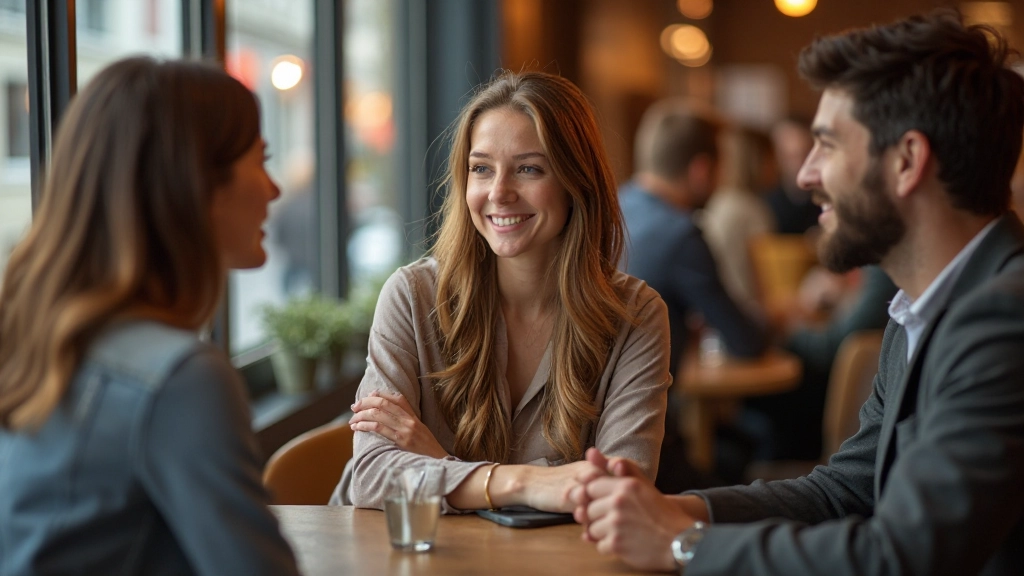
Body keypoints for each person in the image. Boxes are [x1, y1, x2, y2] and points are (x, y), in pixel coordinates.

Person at [572, 10, 1024, 574]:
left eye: (827, 145)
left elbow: (905, 557)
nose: (805, 175)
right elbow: (843, 492)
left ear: (907, 161)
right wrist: (672, 509)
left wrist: (679, 545)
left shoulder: (1004, 317)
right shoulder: (917, 310)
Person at [0, 58, 298, 574]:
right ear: (198, 184)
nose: (273, 190)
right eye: (261, 160)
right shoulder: (180, 378)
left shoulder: (38, 338)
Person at [330, 71, 671, 513]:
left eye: (529, 169)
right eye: (481, 169)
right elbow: (373, 476)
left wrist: (438, 463)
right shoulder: (412, 296)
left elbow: (618, 493)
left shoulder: (635, 314)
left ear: (576, 183)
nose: (499, 192)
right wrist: (526, 482)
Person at [618, 101, 767, 491]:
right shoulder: (680, 234)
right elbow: (746, 341)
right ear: (701, 169)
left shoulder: (612, 208)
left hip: (595, 440)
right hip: (648, 445)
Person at [701, 125, 778, 315]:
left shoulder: (717, 202)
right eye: (772, 157)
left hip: (718, 310)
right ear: (758, 161)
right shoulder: (751, 210)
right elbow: (763, 281)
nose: (777, 165)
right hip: (747, 312)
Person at [765, 115, 820, 234]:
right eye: (790, 156)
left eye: (804, 154)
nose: (798, 165)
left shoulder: (826, 202)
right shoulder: (764, 206)